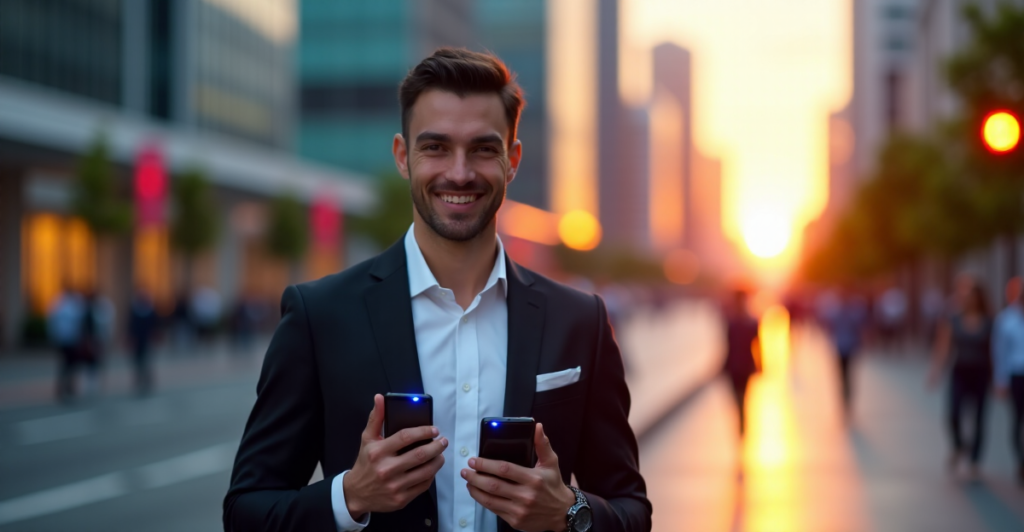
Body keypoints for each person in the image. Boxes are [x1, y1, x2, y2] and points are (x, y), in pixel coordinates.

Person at [224, 49, 650, 532]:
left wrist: (569, 512)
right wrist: (351, 497)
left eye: (483, 149)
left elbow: (632, 508)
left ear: (512, 160)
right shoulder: (319, 316)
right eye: (436, 148)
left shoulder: (580, 320)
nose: (460, 172)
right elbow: (245, 512)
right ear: (403, 157)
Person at [929, 281, 993, 478]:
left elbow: (996, 350)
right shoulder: (953, 319)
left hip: (982, 372)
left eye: (972, 296)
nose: (968, 300)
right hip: (960, 371)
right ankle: (959, 446)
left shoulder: (989, 321)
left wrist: (1000, 378)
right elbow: (944, 346)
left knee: (979, 418)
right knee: (953, 414)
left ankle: (975, 461)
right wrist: (936, 371)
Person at [993, 277, 1024, 486]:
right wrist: (1000, 380)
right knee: (1018, 420)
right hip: (1017, 374)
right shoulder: (1006, 319)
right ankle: (1021, 461)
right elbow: (1000, 352)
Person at [820, 290, 867, 418]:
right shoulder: (849, 311)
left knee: (845, 376)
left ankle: (846, 401)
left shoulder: (842, 311)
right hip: (844, 346)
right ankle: (845, 401)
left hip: (845, 346)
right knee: (845, 376)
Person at [722, 289, 759, 437]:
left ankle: (742, 423)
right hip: (738, 364)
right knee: (739, 398)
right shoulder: (738, 321)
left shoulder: (744, 322)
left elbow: (757, 345)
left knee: (742, 397)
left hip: (741, 364)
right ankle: (742, 421)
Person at [48, 289, 84, 402]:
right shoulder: (61, 304)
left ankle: (67, 387)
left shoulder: (61, 304)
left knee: (69, 365)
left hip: (70, 340)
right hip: (66, 340)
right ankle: (65, 387)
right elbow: (53, 322)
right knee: (67, 365)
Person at [128, 290, 159, 395]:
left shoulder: (150, 310)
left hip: (147, 339)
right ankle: (139, 380)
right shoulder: (135, 310)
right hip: (138, 339)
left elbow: (155, 325)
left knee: (147, 360)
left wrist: (155, 336)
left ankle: (147, 380)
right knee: (138, 361)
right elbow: (131, 326)